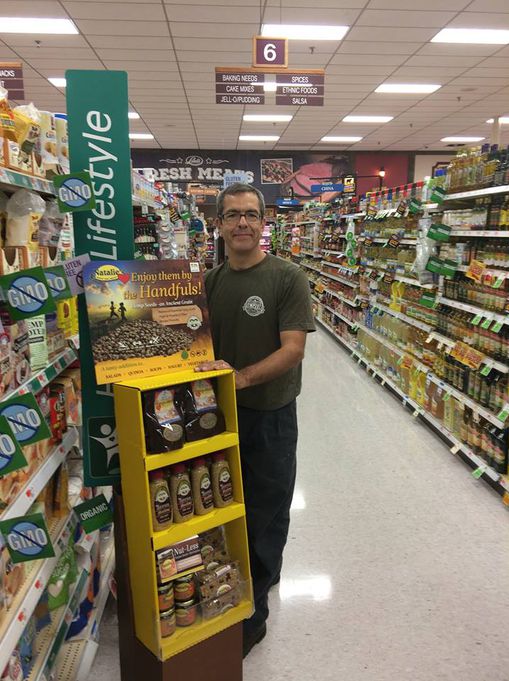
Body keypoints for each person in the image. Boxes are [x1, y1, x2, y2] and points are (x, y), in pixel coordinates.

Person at [196, 183, 315, 657]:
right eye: (232, 215)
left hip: (269, 415)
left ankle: (253, 616)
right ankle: (240, 578)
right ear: (219, 224)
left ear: (263, 223)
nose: (242, 223)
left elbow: (293, 349)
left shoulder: (287, 278)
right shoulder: (208, 282)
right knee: (222, 504)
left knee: (265, 511)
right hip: (216, 415)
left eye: (250, 214)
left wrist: (241, 378)